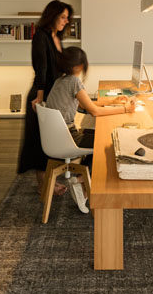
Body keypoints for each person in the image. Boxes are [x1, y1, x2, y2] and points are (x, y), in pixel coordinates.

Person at [46, 45, 135, 212]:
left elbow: (85, 105)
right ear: (79, 66)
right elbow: (94, 111)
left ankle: (82, 178)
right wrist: (125, 109)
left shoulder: (60, 81)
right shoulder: (74, 81)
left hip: (55, 137)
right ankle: (82, 186)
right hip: (68, 137)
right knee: (108, 143)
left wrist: (113, 102)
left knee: (93, 134)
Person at [17, 0, 73, 195]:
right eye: (63, 17)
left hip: (53, 93)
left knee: (49, 140)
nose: (66, 21)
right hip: (41, 94)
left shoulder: (56, 37)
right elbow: (40, 67)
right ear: (53, 15)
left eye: (67, 18)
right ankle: (44, 186)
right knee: (39, 141)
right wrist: (40, 97)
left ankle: (48, 181)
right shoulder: (40, 36)